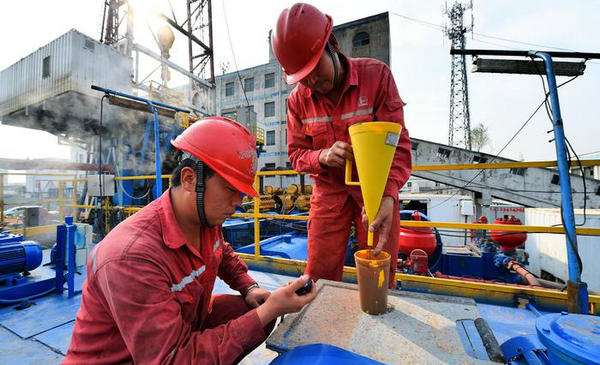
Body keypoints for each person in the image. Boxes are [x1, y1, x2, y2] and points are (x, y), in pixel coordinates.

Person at [64, 117, 316, 364]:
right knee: (262, 314)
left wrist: (249, 287)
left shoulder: (204, 218)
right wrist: (270, 309)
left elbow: (222, 253)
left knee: (254, 312)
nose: (239, 202)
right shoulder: (131, 257)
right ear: (189, 179)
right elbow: (170, 359)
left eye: (242, 193)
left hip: (180, 328)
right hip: (132, 357)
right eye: (231, 190)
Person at [271, 3, 412, 288]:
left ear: (331, 45)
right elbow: (296, 155)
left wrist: (388, 195)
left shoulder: (376, 77)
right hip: (328, 191)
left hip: (375, 189)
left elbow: (397, 145)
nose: (311, 81)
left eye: (314, 68)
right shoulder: (298, 100)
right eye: (302, 76)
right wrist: (322, 156)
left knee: (379, 270)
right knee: (318, 271)